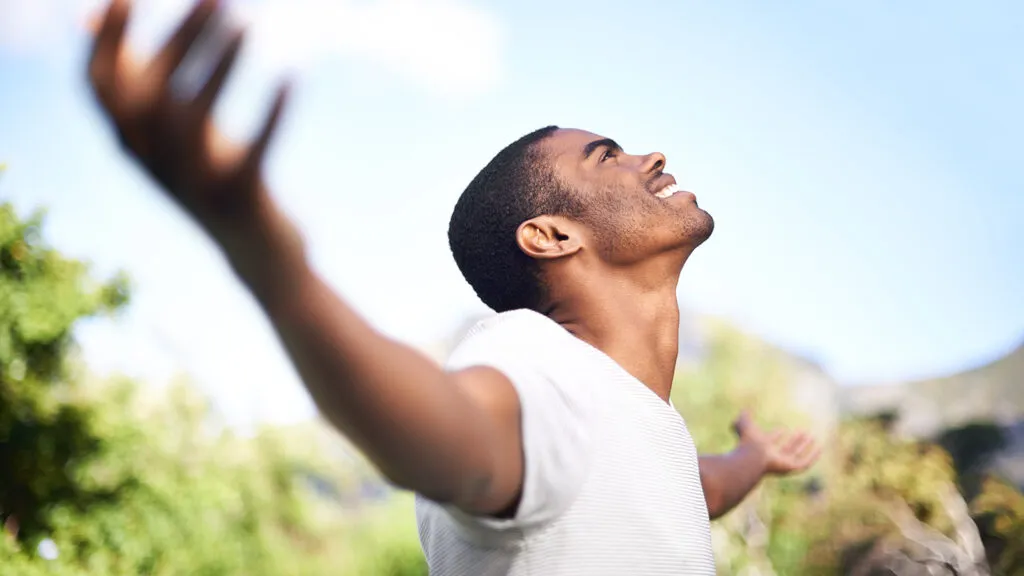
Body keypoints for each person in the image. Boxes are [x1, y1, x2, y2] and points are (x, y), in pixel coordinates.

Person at [86, 1, 821, 574]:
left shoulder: (626, 422)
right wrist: (266, 256)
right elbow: (445, 433)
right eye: (607, 157)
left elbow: (696, 486)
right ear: (550, 235)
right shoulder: (537, 366)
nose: (650, 156)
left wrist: (754, 458)